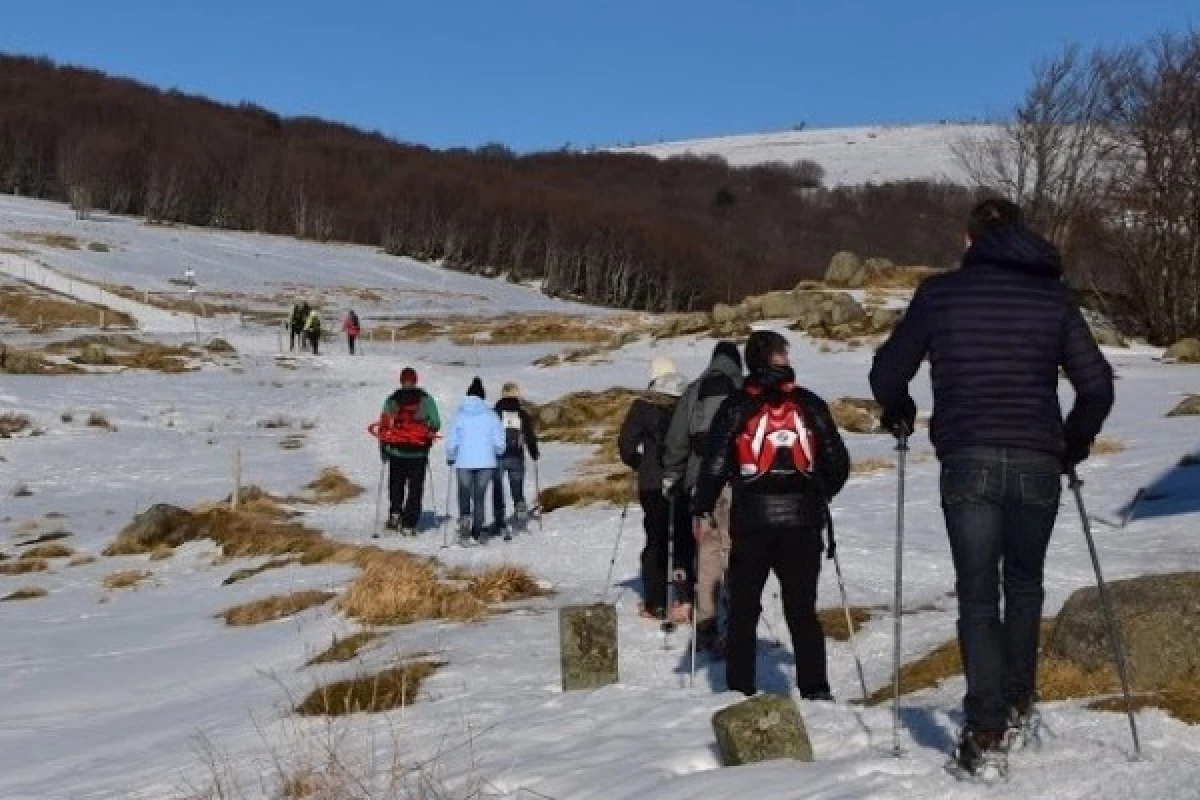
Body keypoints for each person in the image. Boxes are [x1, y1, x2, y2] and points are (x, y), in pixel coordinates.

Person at [869, 197, 1115, 777]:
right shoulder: (1054, 299)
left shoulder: (940, 295)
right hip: (1037, 459)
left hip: (969, 455)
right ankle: (1019, 698)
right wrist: (1071, 443)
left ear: (969, 240)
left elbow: (885, 374)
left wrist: (899, 409)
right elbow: (1097, 385)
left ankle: (985, 727)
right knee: (1025, 583)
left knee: (978, 593)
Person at [693, 331, 849, 700]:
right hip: (803, 522)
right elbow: (838, 462)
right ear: (781, 357)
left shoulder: (736, 405)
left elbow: (714, 463)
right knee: (802, 611)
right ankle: (815, 690)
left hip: (751, 521)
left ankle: (739, 690)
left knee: (744, 610)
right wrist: (817, 493)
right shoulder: (808, 403)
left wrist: (703, 507)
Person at [663, 341, 743, 656]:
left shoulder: (695, 390)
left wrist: (674, 474)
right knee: (736, 550)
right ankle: (738, 623)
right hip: (739, 483)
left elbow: (677, 439)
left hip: (702, 484)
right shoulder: (743, 389)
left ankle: (707, 624)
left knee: (707, 552)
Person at [618, 358, 693, 622]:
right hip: (683, 480)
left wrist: (639, 463)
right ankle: (684, 597)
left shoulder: (641, 407)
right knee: (684, 537)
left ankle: (656, 601)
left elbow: (626, 446)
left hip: (651, 483)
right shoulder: (687, 402)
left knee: (656, 539)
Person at [378, 366, 440, 536]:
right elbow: (435, 422)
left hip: (396, 450)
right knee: (415, 488)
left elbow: (383, 426)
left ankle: (395, 514)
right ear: (416, 380)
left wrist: (383, 450)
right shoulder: (426, 399)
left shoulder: (392, 399)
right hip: (418, 451)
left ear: (401, 380)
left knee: (396, 484)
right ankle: (409, 522)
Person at [446, 377, 506, 545]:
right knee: (479, 497)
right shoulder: (491, 415)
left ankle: (464, 527)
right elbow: (500, 443)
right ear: (482, 396)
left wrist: (451, 456)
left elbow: (452, 441)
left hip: (464, 462)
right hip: (486, 463)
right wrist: (498, 452)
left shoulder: (459, 415)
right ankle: (477, 531)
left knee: (464, 494)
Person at [492, 382, 540, 539]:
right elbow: (529, 437)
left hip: (498, 457)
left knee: (498, 490)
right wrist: (534, 453)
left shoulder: (495, 413)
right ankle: (521, 518)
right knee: (517, 489)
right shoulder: (522, 414)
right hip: (516, 456)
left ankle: (500, 522)